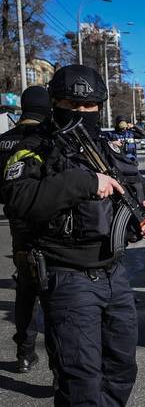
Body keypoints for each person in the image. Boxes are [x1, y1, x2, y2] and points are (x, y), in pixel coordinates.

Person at [0, 64, 145, 405]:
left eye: (89, 107)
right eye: (71, 106)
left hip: (114, 275)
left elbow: (141, 193)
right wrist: (87, 183)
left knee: (121, 368)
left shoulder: (105, 148)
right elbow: (18, 200)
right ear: (54, 103)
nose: (81, 113)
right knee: (80, 382)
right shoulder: (34, 147)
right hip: (67, 277)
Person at [0, 85, 51, 373]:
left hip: (18, 228)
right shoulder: (46, 140)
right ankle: (62, 367)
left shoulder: (4, 140)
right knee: (55, 295)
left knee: (26, 290)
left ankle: (25, 352)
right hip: (48, 227)